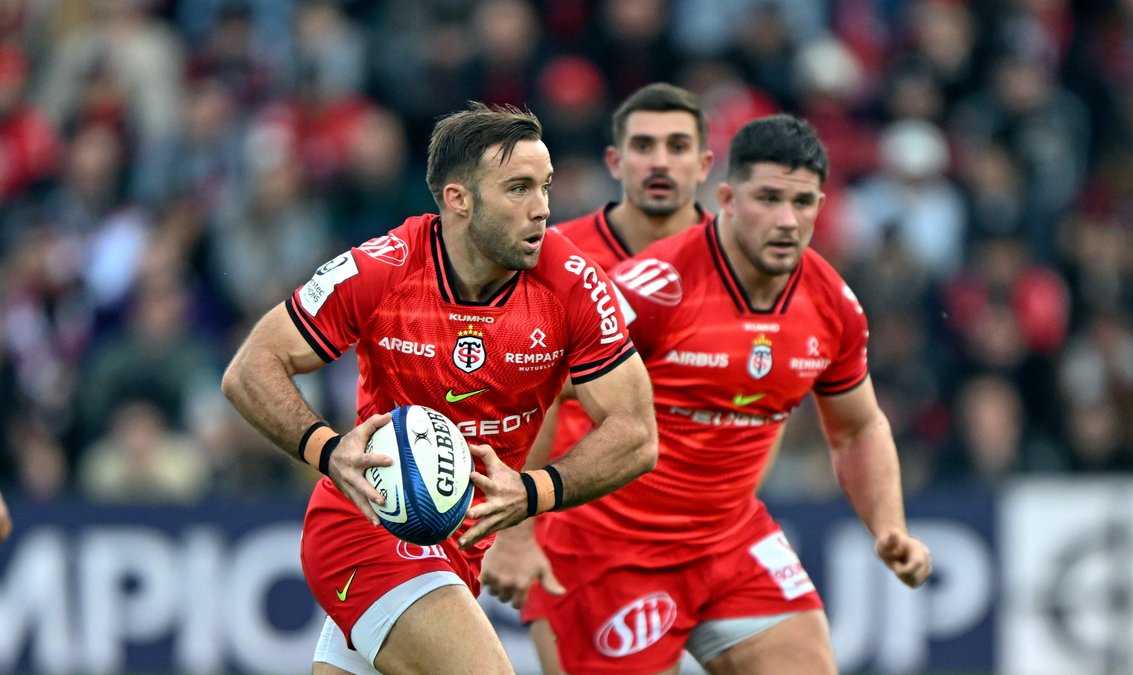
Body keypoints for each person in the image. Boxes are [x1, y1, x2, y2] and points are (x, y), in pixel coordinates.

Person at [221, 102, 658, 675]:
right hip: (368, 528)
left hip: (458, 550)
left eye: (545, 187)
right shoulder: (385, 269)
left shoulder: (572, 284)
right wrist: (327, 448)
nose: (542, 210)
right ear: (458, 199)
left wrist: (533, 492)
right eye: (519, 189)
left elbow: (636, 433)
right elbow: (250, 368)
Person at [522, 114, 933, 674]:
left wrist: (889, 527)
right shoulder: (657, 290)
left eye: (804, 202)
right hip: (608, 552)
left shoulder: (833, 305)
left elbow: (858, 427)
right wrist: (518, 532)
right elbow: (542, 386)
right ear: (727, 198)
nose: (787, 220)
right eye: (768, 198)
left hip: (730, 542)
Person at [477, 83, 715, 651]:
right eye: (643, 145)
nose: (660, 160)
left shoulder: (743, 261)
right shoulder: (551, 258)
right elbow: (527, 400)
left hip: (715, 535)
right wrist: (515, 535)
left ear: (705, 163)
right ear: (615, 160)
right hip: (585, 537)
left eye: (678, 146)